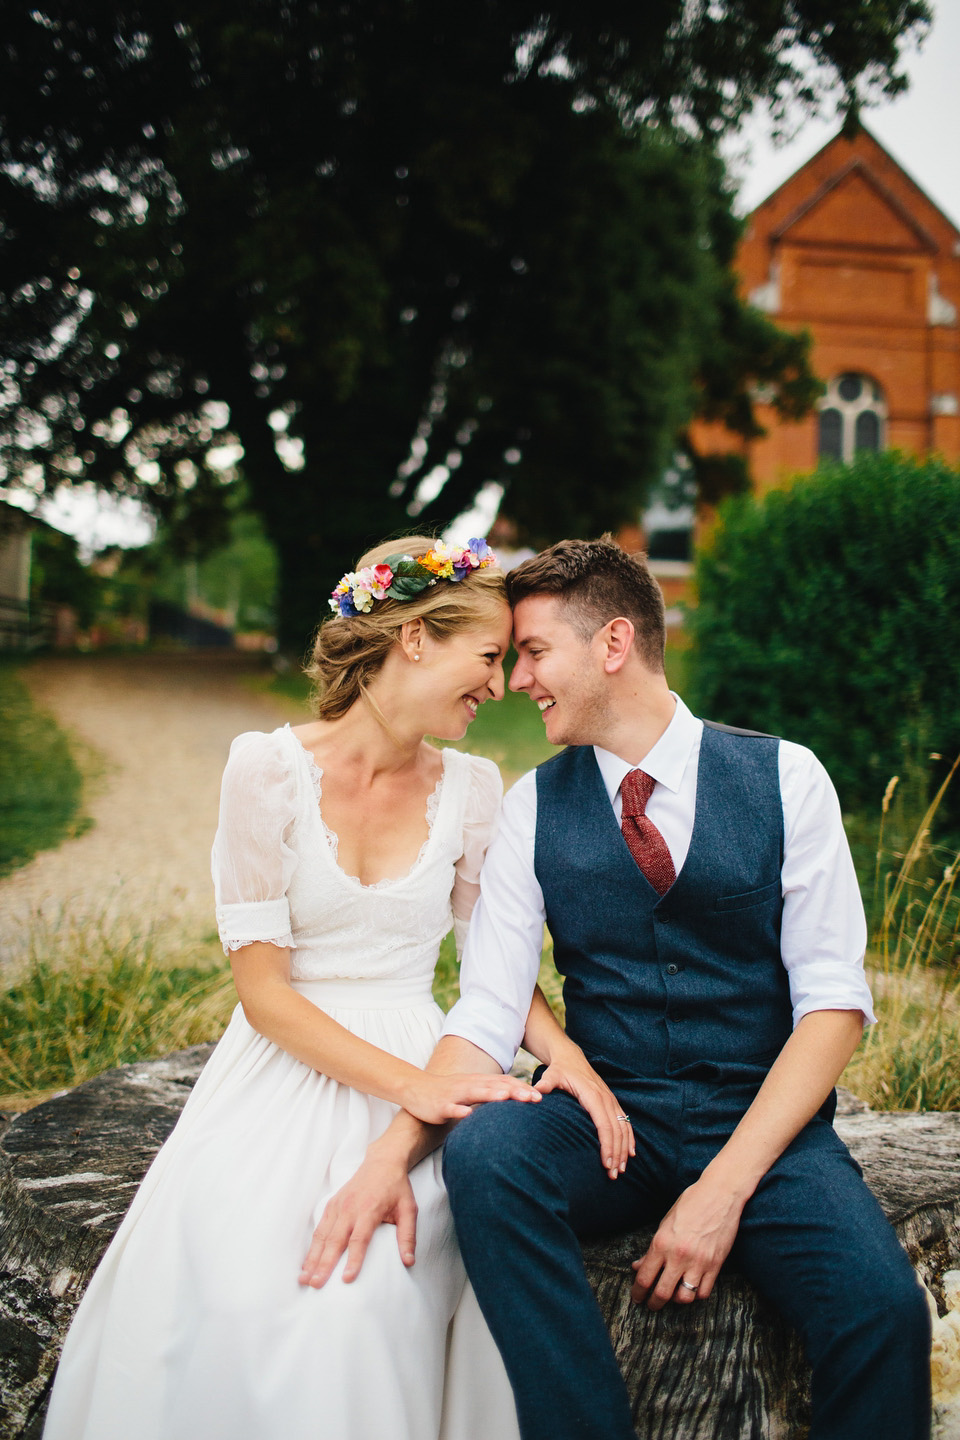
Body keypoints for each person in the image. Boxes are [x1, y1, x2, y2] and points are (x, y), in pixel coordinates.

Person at [301, 537, 932, 1440]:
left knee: (883, 1313)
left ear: (612, 644)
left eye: (533, 652)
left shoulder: (789, 778)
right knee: (488, 1155)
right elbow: (489, 1000)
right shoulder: (529, 808)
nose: (518, 680)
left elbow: (833, 1007)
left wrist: (721, 1191)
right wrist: (392, 1154)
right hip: (613, 1124)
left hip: (767, 1130)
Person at [43, 534, 626, 1440]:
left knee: (371, 1297)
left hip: (425, 1062)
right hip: (286, 1065)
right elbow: (265, 996)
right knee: (244, 1289)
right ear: (414, 640)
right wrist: (415, 1087)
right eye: (487, 656)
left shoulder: (475, 789)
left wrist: (568, 1060)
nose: (500, 682)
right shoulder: (265, 770)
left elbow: (495, 968)